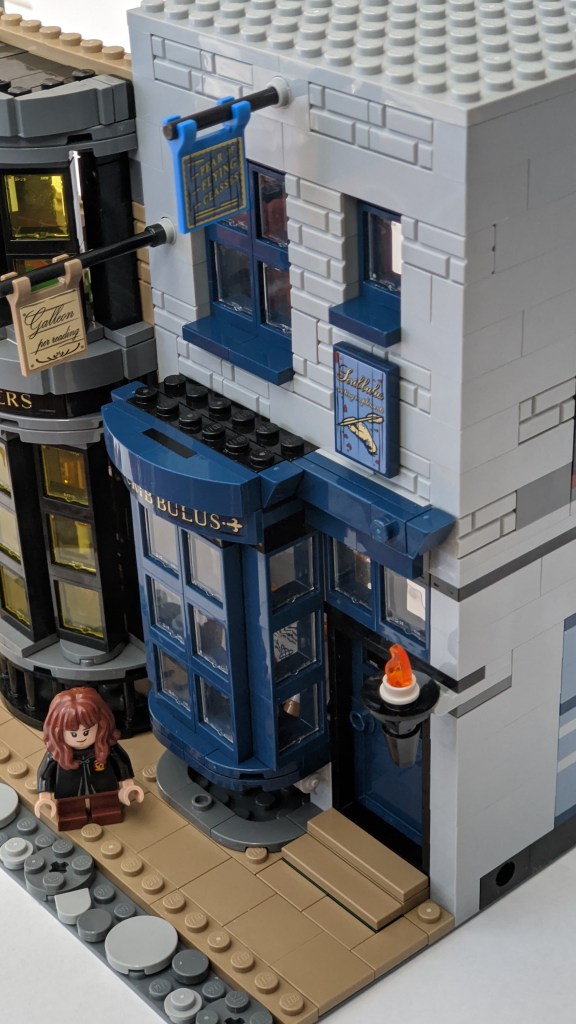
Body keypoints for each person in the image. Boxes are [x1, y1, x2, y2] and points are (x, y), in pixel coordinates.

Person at [34, 687, 144, 830]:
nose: (81, 738)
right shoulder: (58, 754)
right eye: (74, 734)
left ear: (102, 725)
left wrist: (127, 786)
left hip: (103, 787)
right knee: (70, 813)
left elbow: (121, 762)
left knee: (107, 808)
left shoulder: (106, 747)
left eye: (86, 732)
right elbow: (45, 773)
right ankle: (71, 817)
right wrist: (44, 796)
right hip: (69, 792)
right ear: (57, 731)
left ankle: (106, 811)